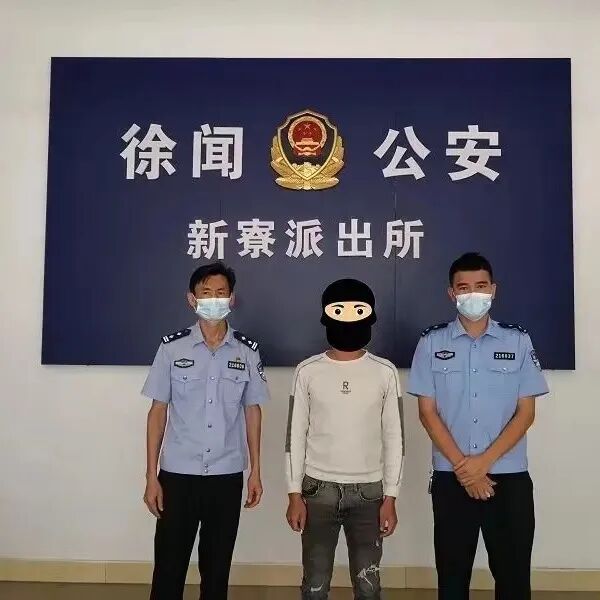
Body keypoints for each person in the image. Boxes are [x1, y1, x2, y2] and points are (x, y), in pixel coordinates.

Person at [407, 252, 549, 600]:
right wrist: (465, 469)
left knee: (514, 578)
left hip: (509, 479)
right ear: (451, 293)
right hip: (452, 479)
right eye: (464, 287)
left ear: (493, 290)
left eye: (481, 286)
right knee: (452, 579)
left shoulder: (518, 341)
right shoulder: (431, 342)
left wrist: (482, 464)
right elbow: (427, 413)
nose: (473, 294)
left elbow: (526, 413)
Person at [141, 262, 269, 600]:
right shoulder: (172, 348)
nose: (214, 299)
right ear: (192, 299)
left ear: (232, 299)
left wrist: (256, 471)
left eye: (221, 293)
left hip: (226, 475)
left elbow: (253, 411)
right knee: (168, 568)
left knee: (216, 570)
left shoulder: (246, 351)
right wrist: (151, 476)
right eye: (206, 293)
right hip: (177, 475)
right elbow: (157, 412)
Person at [285, 278, 404, 600]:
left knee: (368, 586)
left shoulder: (385, 372)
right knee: (314, 585)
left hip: (369, 493)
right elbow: (294, 436)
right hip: (317, 491)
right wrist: (294, 493)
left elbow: (395, 438)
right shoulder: (307, 371)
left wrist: (391, 496)